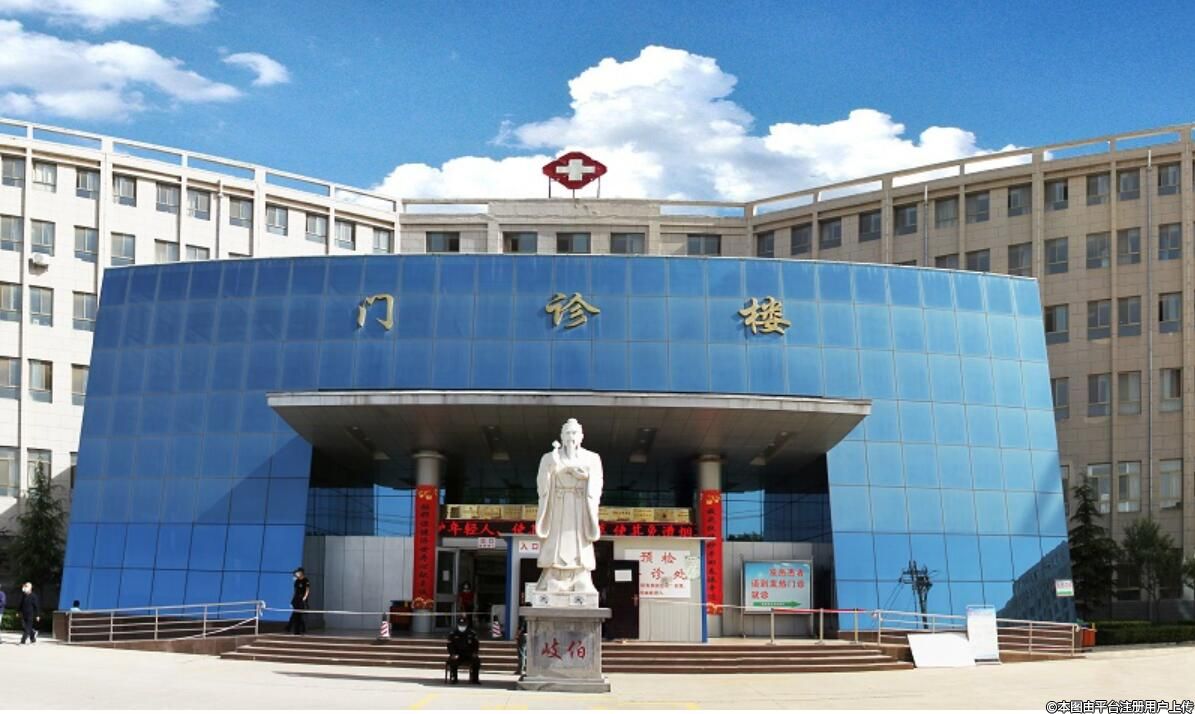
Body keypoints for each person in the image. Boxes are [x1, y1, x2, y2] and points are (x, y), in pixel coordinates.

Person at [535, 418, 604, 593]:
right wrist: (551, 468)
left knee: (580, 541)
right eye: (567, 433)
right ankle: (553, 576)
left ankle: (581, 577)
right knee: (555, 540)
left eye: (574, 433)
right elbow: (541, 483)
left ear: (581, 436)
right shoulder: (550, 457)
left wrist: (586, 477)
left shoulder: (592, 458)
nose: (571, 436)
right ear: (561, 436)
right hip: (557, 504)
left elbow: (598, 481)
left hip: (580, 505)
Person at [446, 615, 481, 684]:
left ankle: (475, 679)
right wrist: (452, 654)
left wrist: (475, 653)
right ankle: (454, 678)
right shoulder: (453, 634)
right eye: (460, 625)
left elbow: (476, 645)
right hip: (457, 654)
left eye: (463, 625)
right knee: (453, 661)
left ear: (466, 625)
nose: (462, 626)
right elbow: (450, 645)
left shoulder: (472, 633)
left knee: (476, 660)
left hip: (469, 654)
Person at [286, 568, 310, 635]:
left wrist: (305, 597)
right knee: (296, 614)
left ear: (301, 573)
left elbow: (307, 590)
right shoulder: (296, 581)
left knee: (297, 615)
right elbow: (295, 592)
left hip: (302, 600)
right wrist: (292, 601)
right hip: (296, 600)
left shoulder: (306, 580)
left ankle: (292, 628)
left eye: (298, 572)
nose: (297, 574)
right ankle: (297, 628)